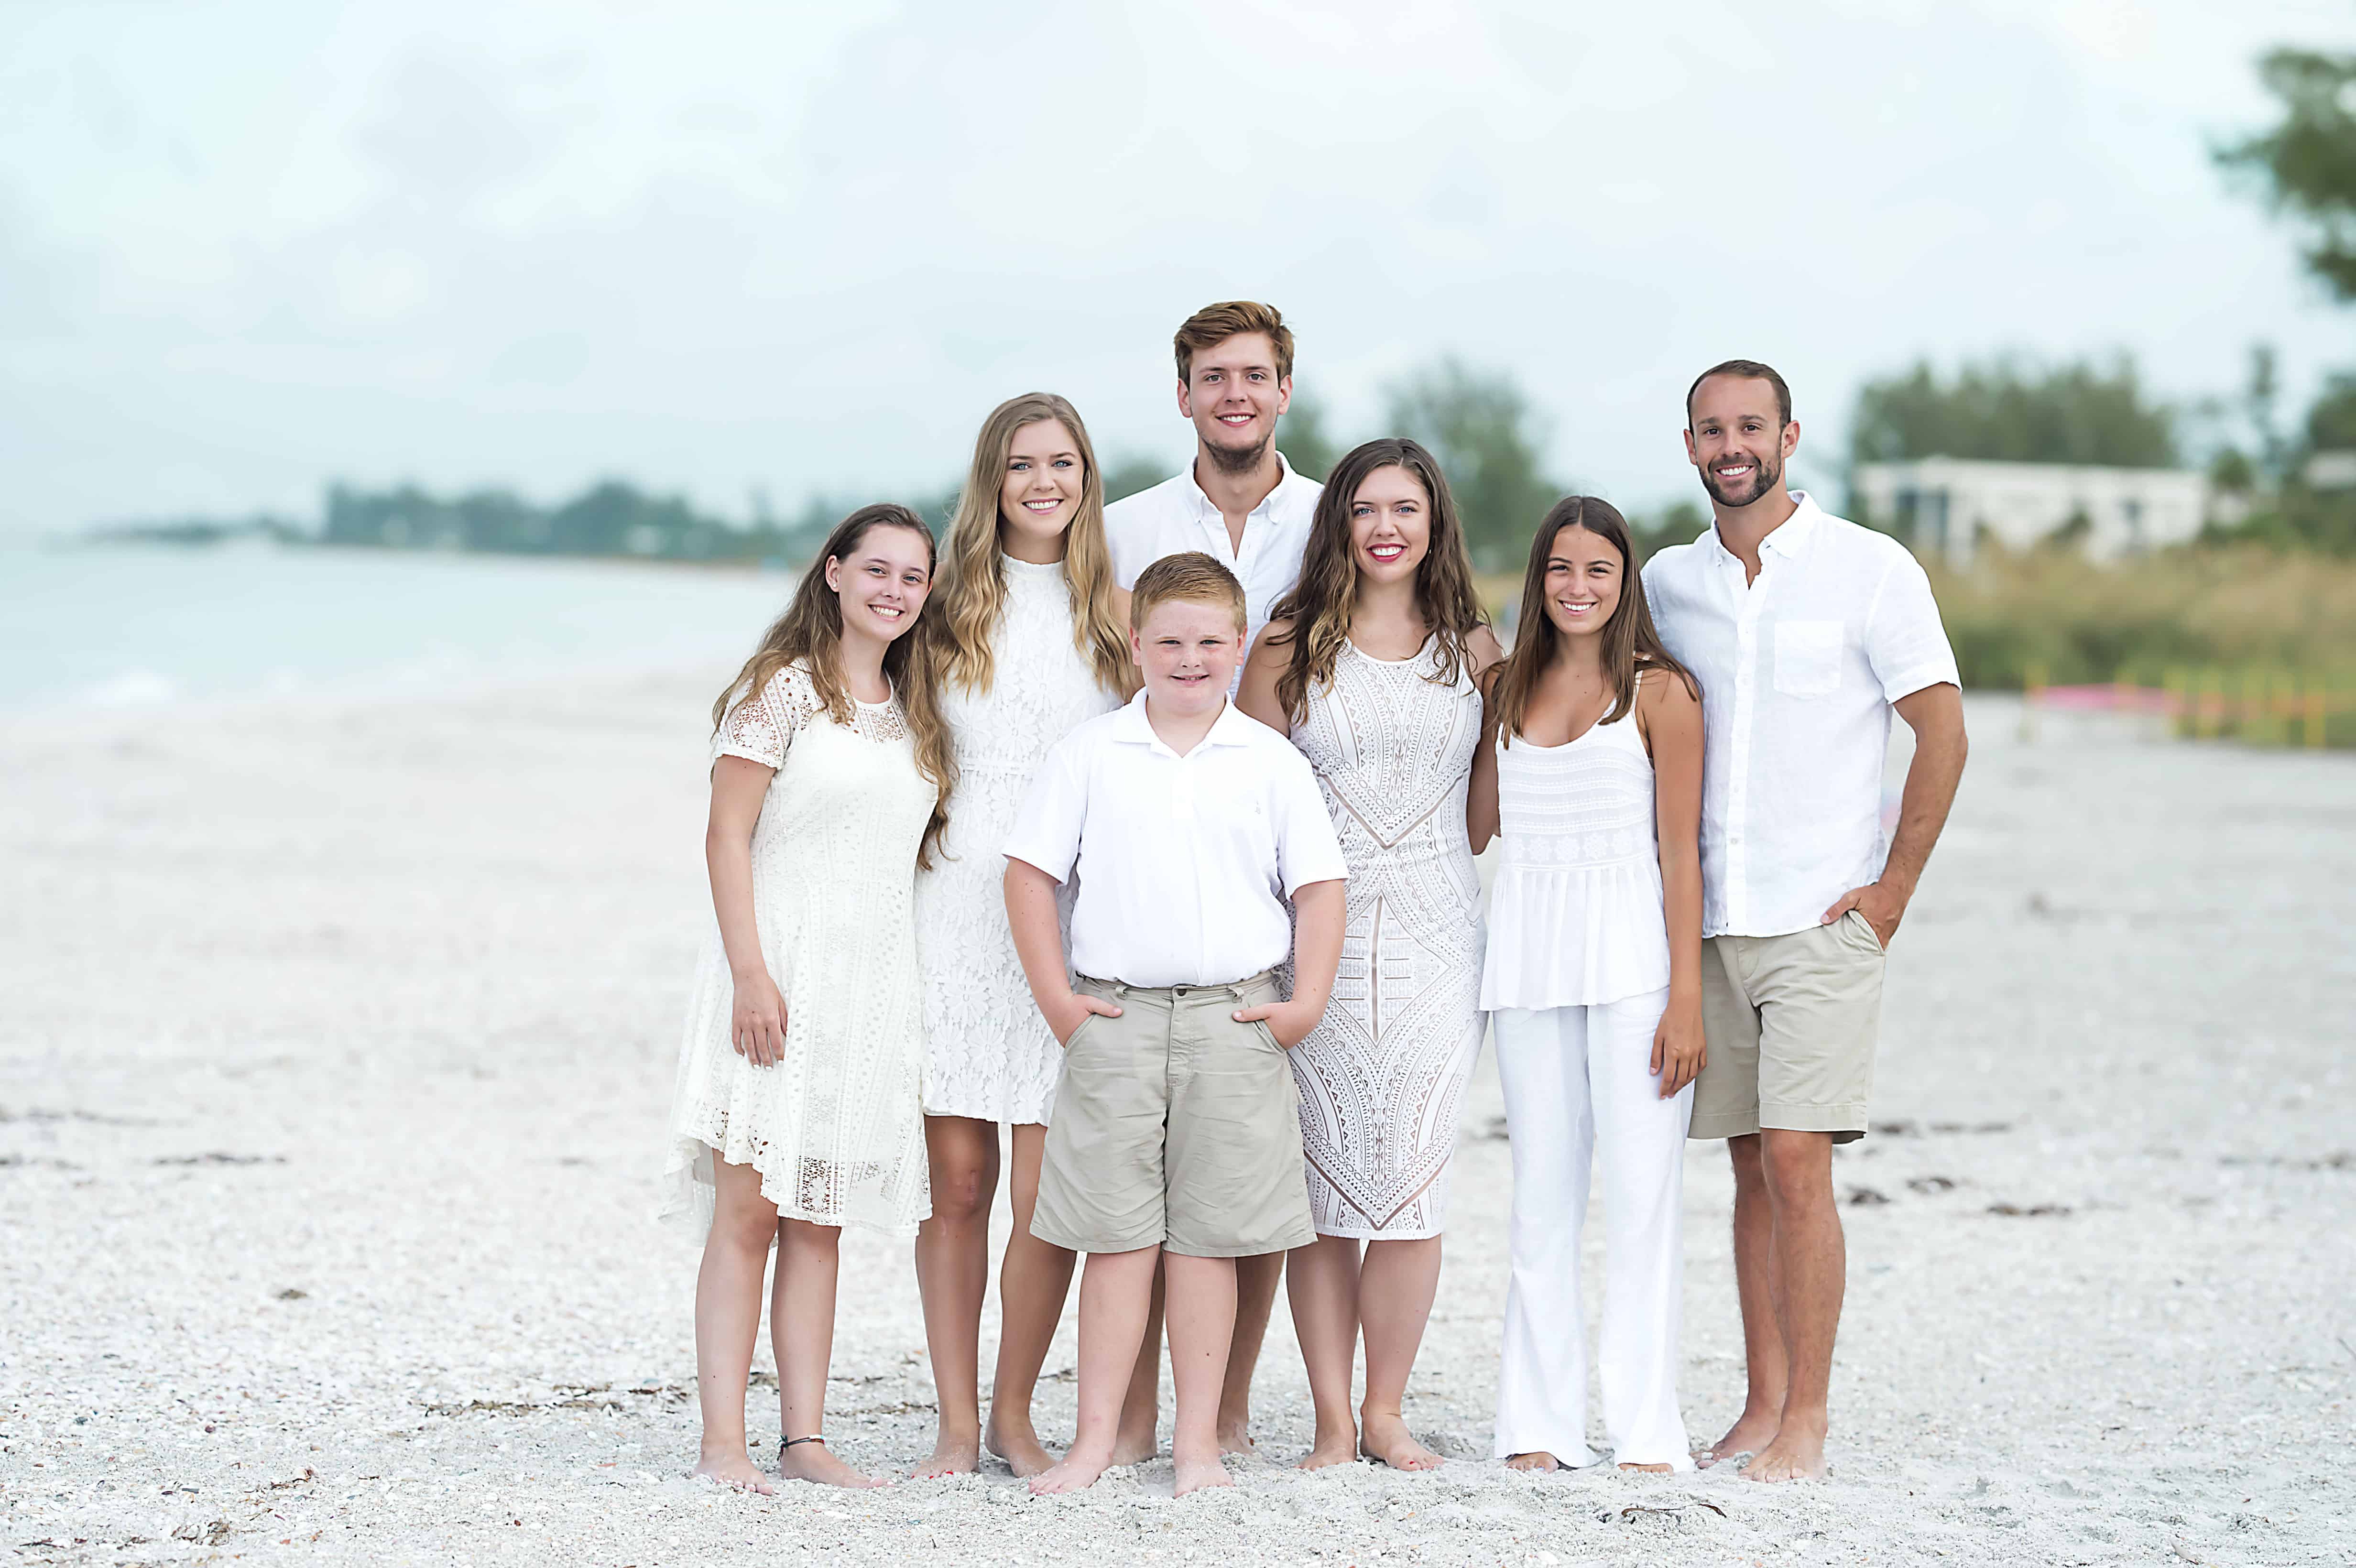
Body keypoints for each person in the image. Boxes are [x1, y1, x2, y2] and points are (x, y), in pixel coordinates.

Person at [1643, 359, 1968, 1482]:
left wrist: (1891, 892)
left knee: (1797, 1160)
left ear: (1788, 437)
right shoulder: (1667, 583)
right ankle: (1760, 1403)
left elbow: (1943, 731)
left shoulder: (1871, 569)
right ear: (1689, 445)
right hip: (1714, 923)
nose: (1731, 446)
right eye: (1711, 429)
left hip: (1824, 920)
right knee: (1748, 1168)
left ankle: (1809, 1420)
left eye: (1751, 426)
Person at [1004, 552, 1348, 1497]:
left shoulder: (1270, 761)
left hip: (1234, 1016)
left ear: (1238, 646)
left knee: (1208, 1241)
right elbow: (1029, 873)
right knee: (1115, 1240)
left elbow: (1320, 887)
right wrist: (1059, 1000)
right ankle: (1093, 1442)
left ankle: (1197, 1444)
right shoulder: (1091, 752)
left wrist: (1305, 1003)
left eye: (1207, 642)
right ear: (1136, 644)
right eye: (1169, 641)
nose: (1189, 659)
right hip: (1115, 1014)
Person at [660, 503, 956, 1492]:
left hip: (866, 992)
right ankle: (723, 1446)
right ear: (833, 572)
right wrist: (751, 973)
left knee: (819, 1220)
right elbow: (725, 836)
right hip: (775, 977)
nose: (894, 591)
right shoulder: (781, 690)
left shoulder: (917, 708)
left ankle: (804, 1441)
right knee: (747, 1214)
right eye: (876, 569)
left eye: (912, 577)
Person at [1235, 438, 1501, 1471]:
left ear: (1436, 524)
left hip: (1440, 937)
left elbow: (1482, 814)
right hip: (1318, 940)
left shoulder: (1473, 648)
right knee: (1325, 1184)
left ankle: (1386, 1411)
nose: (1386, 527)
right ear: (1339, 522)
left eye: (1406, 508)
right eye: (1365, 509)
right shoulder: (1288, 642)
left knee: (1413, 1179)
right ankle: (1331, 1419)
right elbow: (1246, 800)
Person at [1102, 299, 1323, 1451]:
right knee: (1140, 1162)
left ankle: (1225, 1403)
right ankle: (1136, 1409)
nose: (1235, 393)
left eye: (1254, 374)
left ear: (1284, 388)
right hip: (1150, 865)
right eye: (1213, 376)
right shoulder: (1124, 525)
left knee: (1248, 1158)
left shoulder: (1336, 517)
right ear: (1182, 393)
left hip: (1290, 848)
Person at [909, 393, 1134, 1480]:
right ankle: (954, 1423)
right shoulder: (941, 605)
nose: (1043, 482)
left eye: (1062, 462)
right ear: (990, 481)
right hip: (953, 906)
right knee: (957, 1185)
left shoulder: (1117, 613)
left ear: (1086, 476)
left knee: (1049, 1197)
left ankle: (1012, 1414)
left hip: (1072, 916)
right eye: (1021, 464)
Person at [1468, 497, 1708, 1475]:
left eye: (1597, 569)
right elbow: (1478, 825)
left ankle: (1647, 1431)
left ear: (1624, 580)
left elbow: (1681, 856)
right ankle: (1539, 1424)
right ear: (1538, 578)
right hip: (1529, 958)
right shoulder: (1503, 686)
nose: (1577, 586)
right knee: (1541, 1198)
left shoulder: (1662, 691)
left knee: (1642, 1200)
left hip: (1633, 967)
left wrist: (1686, 999)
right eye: (1560, 568)